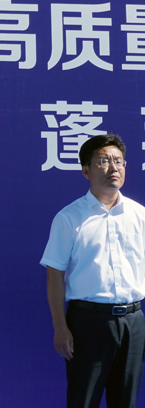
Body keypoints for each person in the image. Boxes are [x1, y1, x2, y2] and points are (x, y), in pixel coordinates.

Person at [41, 134, 145, 408]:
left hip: (134, 321)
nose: (113, 167)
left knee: (126, 401)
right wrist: (60, 327)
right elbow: (54, 275)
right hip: (88, 322)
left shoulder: (140, 215)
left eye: (118, 161)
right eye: (103, 161)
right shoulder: (69, 218)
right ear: (86, 170)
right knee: (83, 400)